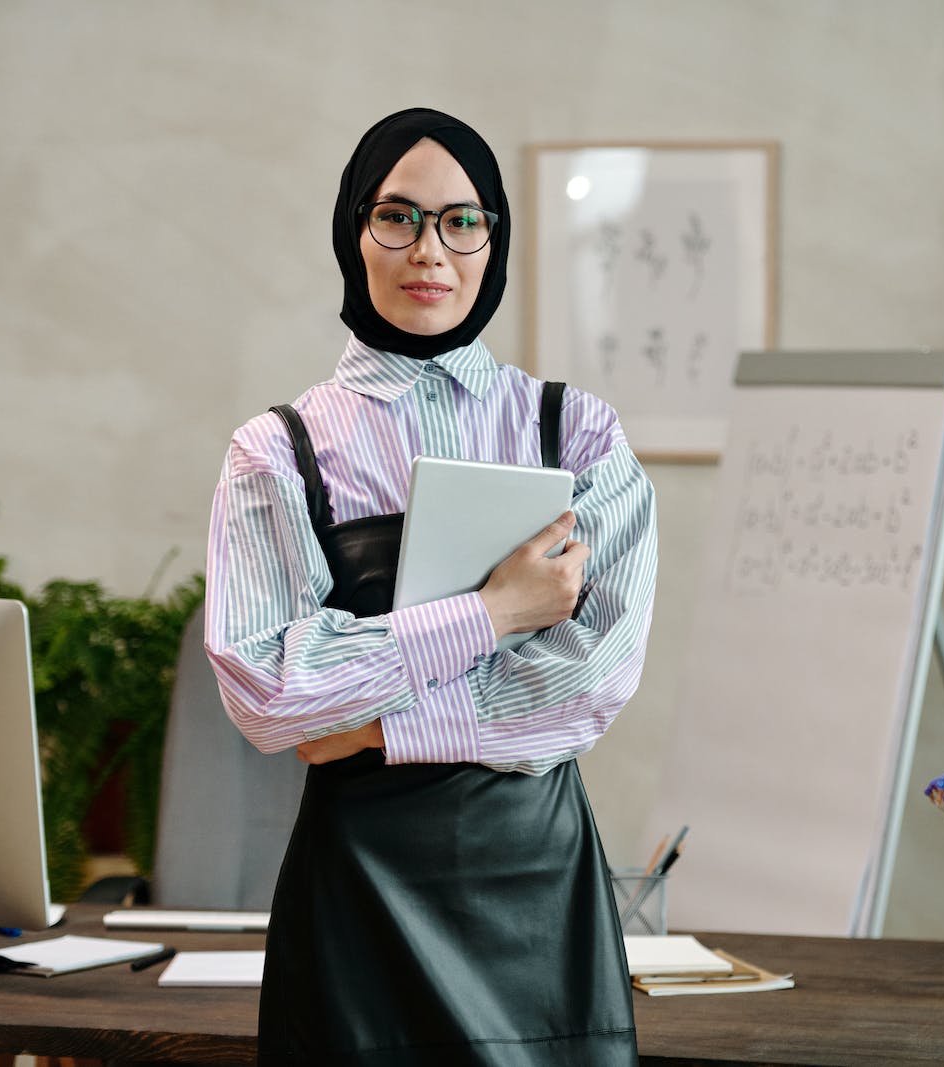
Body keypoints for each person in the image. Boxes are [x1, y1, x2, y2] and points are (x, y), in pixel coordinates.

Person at [203, 108, 656, 1066]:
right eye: (398, 217)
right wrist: (499, 613)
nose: (431, 252)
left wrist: (373, 726)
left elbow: (592, 682)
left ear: (493, 239)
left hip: (535, 886)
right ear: (351, 231)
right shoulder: (276, 452)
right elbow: (269, 691)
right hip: (356, 894)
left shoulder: (577, 433)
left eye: (462, 220)